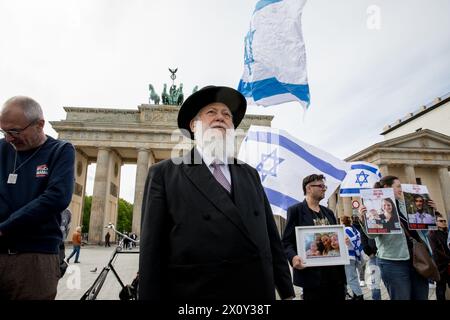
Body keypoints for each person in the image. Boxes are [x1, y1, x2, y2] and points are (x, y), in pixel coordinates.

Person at [138, 85, 295, 301]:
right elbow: (151, 252)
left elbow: (271, 237)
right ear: (194, 125)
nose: (220, 118)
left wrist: (286, 291)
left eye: (227, 115)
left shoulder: (250, 174)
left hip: (255, 293)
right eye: (211, 112)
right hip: (197, 295)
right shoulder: (164, 175)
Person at [0, 96, 75, 300]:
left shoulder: (60, 151)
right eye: (4, 131)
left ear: (40, 124)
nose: (9, 138)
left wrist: (4, 227)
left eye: (14, 131)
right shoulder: (1, 149)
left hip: (34, 257)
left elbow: (56, 197)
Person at [358, 176, 437, 300]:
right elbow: (372, 235)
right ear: (387, 188)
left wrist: (430, 213)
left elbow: (424, 232)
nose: (401, 189)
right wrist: (364, 219)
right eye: (398, 186)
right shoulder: (378, 208)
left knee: (421, 296)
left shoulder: (408, 204)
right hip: (393, 262)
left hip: (418, 259)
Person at [282, 174, 346, 301]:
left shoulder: (328, 212)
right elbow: (286, 242)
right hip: (312, 278)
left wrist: (342, 241)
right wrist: (293, 257)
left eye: (325, 186)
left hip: (335, 276)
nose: (324, 189)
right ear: (309, 188)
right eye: (321, 186)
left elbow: (335, 237)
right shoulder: (296, 211)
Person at [428, 213, 450, 300]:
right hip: (440, 266)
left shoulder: (447, 233)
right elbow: (435, 250)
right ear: (435, 222)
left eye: (444, 221)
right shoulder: (432, 235)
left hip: (448, 264)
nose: (444, 222)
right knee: (441, 288)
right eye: (441, 221)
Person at [342, 216, 364, 300]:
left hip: (348, 256)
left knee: (351, 278)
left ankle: (359, 296)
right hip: (354, 255)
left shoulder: (345, 230)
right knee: (353, 277)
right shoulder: (354, 229)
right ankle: (356, 294)